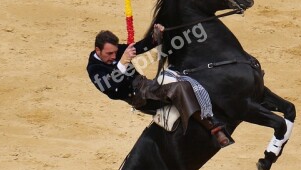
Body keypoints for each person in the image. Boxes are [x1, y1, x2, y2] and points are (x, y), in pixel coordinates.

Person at [87, 26, 233, 148]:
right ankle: (214, 128)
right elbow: (111, 87)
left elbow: (139, 47)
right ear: (97, 50)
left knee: (183, 74)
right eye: (109, 53)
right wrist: (123, 62)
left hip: (146, 84)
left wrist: (155, 37)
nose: (113, 56)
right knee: (179, 88)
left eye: (115, 52)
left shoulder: (115, 51)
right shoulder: (94, 69)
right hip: (138, 97)